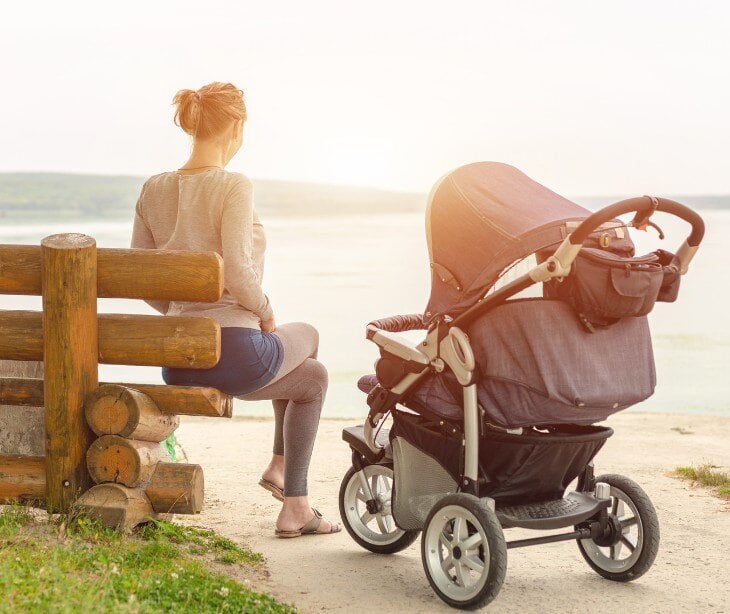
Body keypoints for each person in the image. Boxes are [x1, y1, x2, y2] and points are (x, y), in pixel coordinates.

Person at [131, 82, 339, 537]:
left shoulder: (153, 189)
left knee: (311, 375)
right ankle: (290, 491)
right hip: (235, 355)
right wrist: (265, 312)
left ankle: (286, 482)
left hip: (178, 362)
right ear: (237, 127)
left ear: (192, 124)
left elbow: (142, 278)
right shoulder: (232, 186)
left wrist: (180, 312)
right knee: (311, 347)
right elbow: (240, 274)